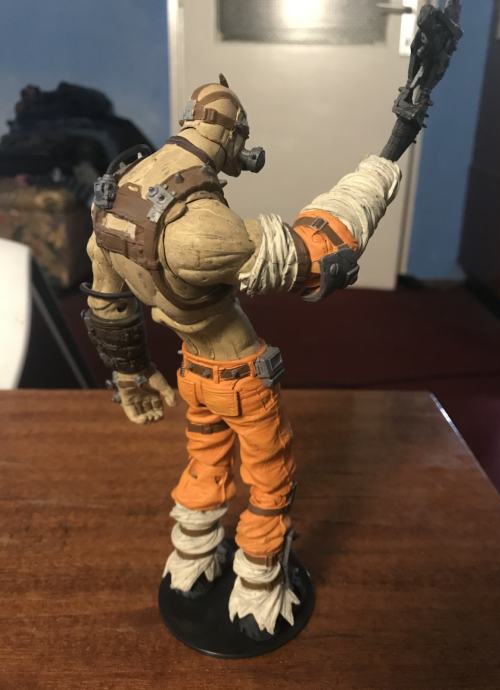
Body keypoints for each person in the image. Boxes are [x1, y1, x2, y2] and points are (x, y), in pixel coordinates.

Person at [83, 75, 400, 638]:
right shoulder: (203, 227)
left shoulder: (116, 196)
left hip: (190, 369)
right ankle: (257, 590)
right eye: (241, 142)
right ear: (230, 136)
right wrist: (380, 169)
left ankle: (190, 563)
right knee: (271, 480)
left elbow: (107, 303)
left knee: (205, 462)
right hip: (240, 376)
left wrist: (132, 372)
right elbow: (319, 256)